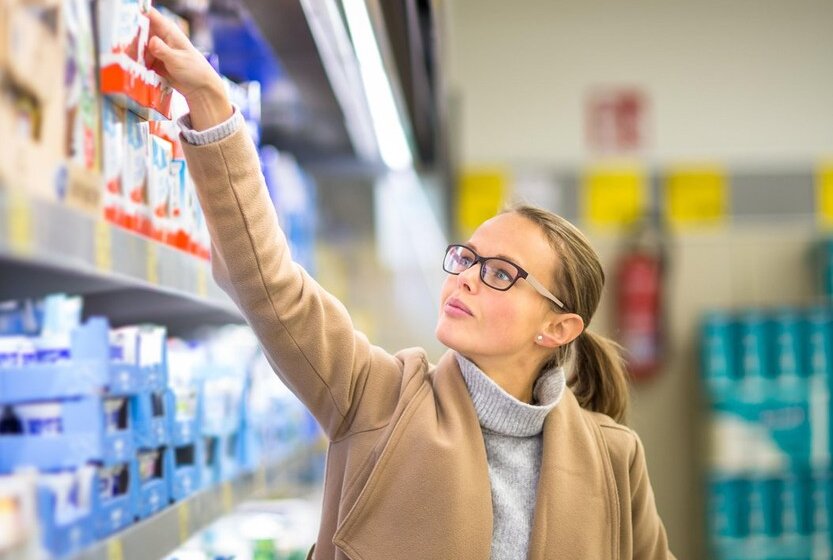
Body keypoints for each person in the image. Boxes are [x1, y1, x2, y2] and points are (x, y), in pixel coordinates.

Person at [145, 8, 675, 559]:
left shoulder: (615, 459)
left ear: (558, 327)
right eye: (467, 258)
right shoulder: (378, 398)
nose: (467, 279)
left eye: (498, 274)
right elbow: (270, 283)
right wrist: (212, 109)